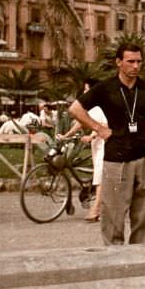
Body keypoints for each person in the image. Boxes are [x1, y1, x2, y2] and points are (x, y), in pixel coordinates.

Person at [69, 43, 145, 246]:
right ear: (119, 62)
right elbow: (76, 109)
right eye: (130, 61)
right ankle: (115, 257)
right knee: (113, 214)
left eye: (139, 62)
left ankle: (141, 255)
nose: (136, 66)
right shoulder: (105, 88)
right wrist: (99, 129)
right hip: (117, 158)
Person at [58, 78, 107, 222]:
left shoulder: (101, 107)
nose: (85, 92)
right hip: (97, 146)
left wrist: (91, 136)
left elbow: (105, 124)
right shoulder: (92, 108)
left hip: (106, 145)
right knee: (100, 176)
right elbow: (80, 123)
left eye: (87, 89)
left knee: (100, 178)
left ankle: (96, 210)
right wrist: (65, 136)